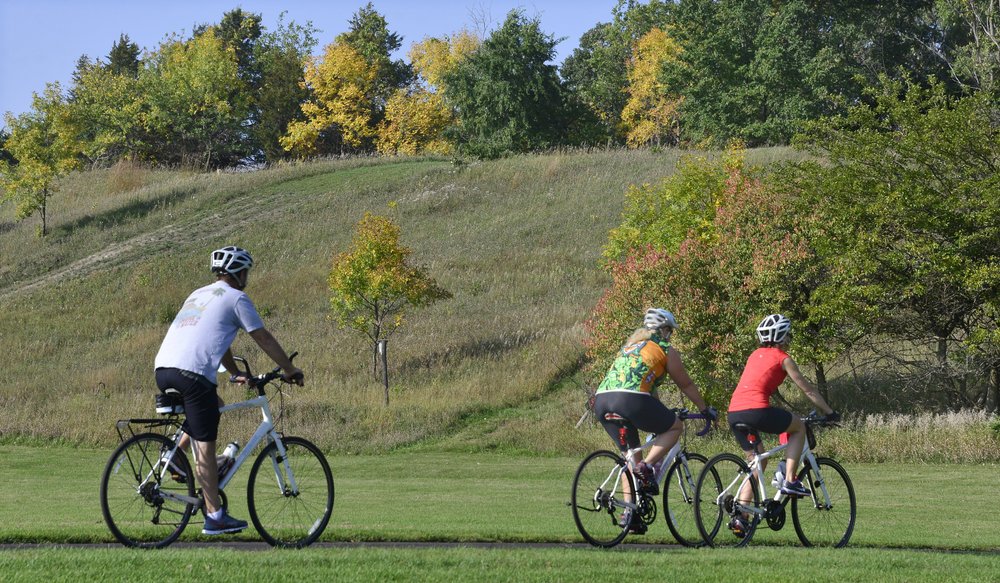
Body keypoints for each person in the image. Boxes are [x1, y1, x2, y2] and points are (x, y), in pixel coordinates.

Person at [154, 246, 304, 536]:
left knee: (214, 403)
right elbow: (261, 336)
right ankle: (214, 516)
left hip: (163, 369)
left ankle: (175, 452)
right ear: (238, 272)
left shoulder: (198, 294)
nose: (247, 277)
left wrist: (234, 372)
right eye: (246, 271)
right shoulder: (237, 298)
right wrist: (288, 369)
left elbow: (216, 337)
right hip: (193, 374)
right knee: (207, 448)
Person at [593, 307, 716, 533]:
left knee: (630, 457)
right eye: (670, 331)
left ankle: (630, 513)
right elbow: (685, 384)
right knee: (675, 427)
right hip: (631, 400)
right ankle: (648, 466)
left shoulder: (629, 347)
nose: (670, 336)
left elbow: (647, 388)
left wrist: (662, 410)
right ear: (664, 330)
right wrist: (704, 408)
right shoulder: (665, 349)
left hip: (602, 400)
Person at [726, 313, 838, 536]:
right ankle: (790, 480)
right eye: (788, 335)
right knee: (798, 427)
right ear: (781, 336)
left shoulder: (754, 354)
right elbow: (807, 389)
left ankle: (741, 515)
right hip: (756, 411)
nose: (789, 339)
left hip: (734, 413)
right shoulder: (783, 358)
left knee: (758, 461)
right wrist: (829, 412)